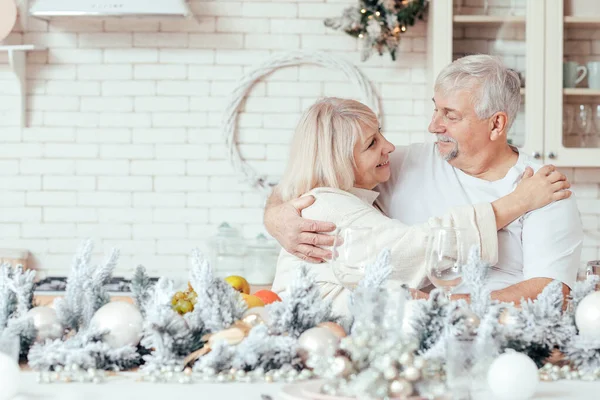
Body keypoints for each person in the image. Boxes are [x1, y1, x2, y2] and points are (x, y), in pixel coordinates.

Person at [270, 96, 572, 315]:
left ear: (497, 123)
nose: (388, 146)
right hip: (317, 339)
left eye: (450, 115)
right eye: (372, 143)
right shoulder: (325, 206)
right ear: (338, 161)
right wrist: (518, 202)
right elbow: (415, 247)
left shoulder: (374, 181)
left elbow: (553, 289)